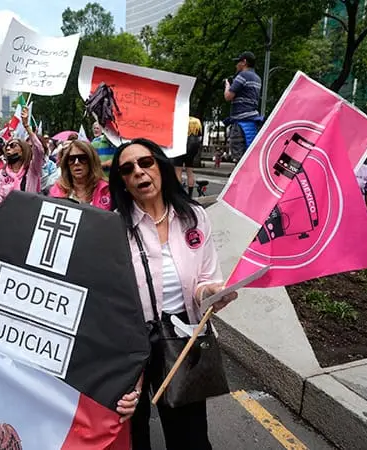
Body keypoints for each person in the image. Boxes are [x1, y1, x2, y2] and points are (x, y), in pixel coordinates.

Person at [108, 138, 238, 450]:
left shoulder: (194, 217)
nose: (138, 172)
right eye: (127, 169)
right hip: (130, 342)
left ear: (161, 167)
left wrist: (212, 293)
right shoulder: (113, 226)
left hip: (182, 338)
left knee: (189, 437)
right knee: (132, 432)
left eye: (146, 162)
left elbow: (205, 280)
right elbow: (106, 296)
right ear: (123, 181)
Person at [0, 107, 44, 206]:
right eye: (7, 146)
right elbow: (0, 203)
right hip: (11, 213)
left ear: (22, 151)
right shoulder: (3, 173)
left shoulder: (32, 169)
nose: (8, 148)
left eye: (13, 145)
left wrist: (27, 126)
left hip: (30, 211)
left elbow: (39, 150)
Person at [49, 140, 111, 210]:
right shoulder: (57, 190)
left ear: (91, 161)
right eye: (71, 159)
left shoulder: (106, 190)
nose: (76, 163)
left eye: (82, 158)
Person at [224, 51, 262, 162]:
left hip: (240, 122)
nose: (236, 65)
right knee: (248, 158)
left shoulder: (242, 76)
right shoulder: (257, 78)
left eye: (238, 62)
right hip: (252, 122)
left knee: (238, 158)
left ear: (244, 62)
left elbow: (228, 96)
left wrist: (227, 86)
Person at [173, 117, 203, 197]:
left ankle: (178, 194)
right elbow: (200, 136)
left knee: (178, 171)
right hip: (191, 150)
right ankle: (190, 195)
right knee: (190, 172)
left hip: (180, 147)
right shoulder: (196, 121)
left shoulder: (179, 120)